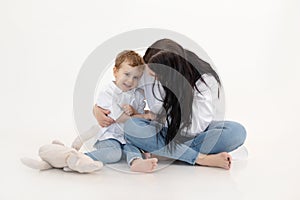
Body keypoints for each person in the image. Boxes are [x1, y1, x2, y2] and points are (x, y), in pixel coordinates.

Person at [94, 39, 246, 170]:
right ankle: (201, 158)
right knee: (133, 127)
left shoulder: (202, 80)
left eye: (156, 74)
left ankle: (165, 152)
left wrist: (159, 120)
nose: (149, 75)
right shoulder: (148, 69)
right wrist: (97, 108)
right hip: (160, 133)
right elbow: (122, 87)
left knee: (236, 132)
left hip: (192, 134)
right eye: (149, 69)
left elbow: (196, 127)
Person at [72, 50, 157, 173]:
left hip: (127, 137)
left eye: (136, 77)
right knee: (114, 153)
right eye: (127, 74)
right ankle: (81, 158)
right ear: (115, 72)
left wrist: (134, 111)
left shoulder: (137, 94)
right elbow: (118, 117)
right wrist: (144, 116)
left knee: (133, 148)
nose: (130, 81)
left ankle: (136, 162)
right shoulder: (108, 92)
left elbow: (136, 120)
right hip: (109, 136)